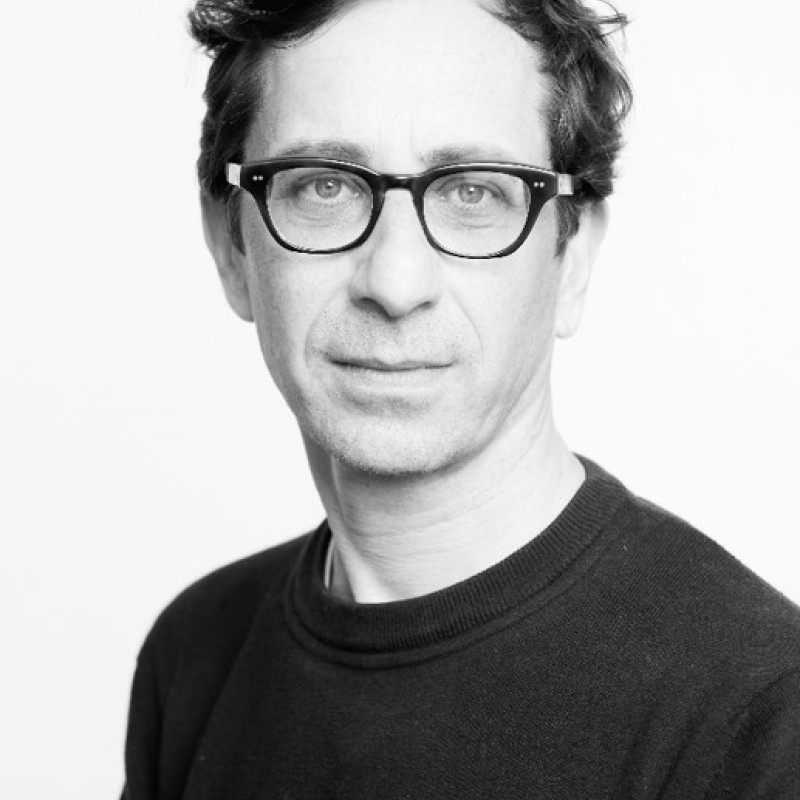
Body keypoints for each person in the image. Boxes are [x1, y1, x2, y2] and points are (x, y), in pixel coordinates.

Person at [122, 0, 800, 796]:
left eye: (474, 192)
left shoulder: (759, 717)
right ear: (231, 246)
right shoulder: (194, 654)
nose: (395, 282)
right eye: (324, 186)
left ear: (575, 255)